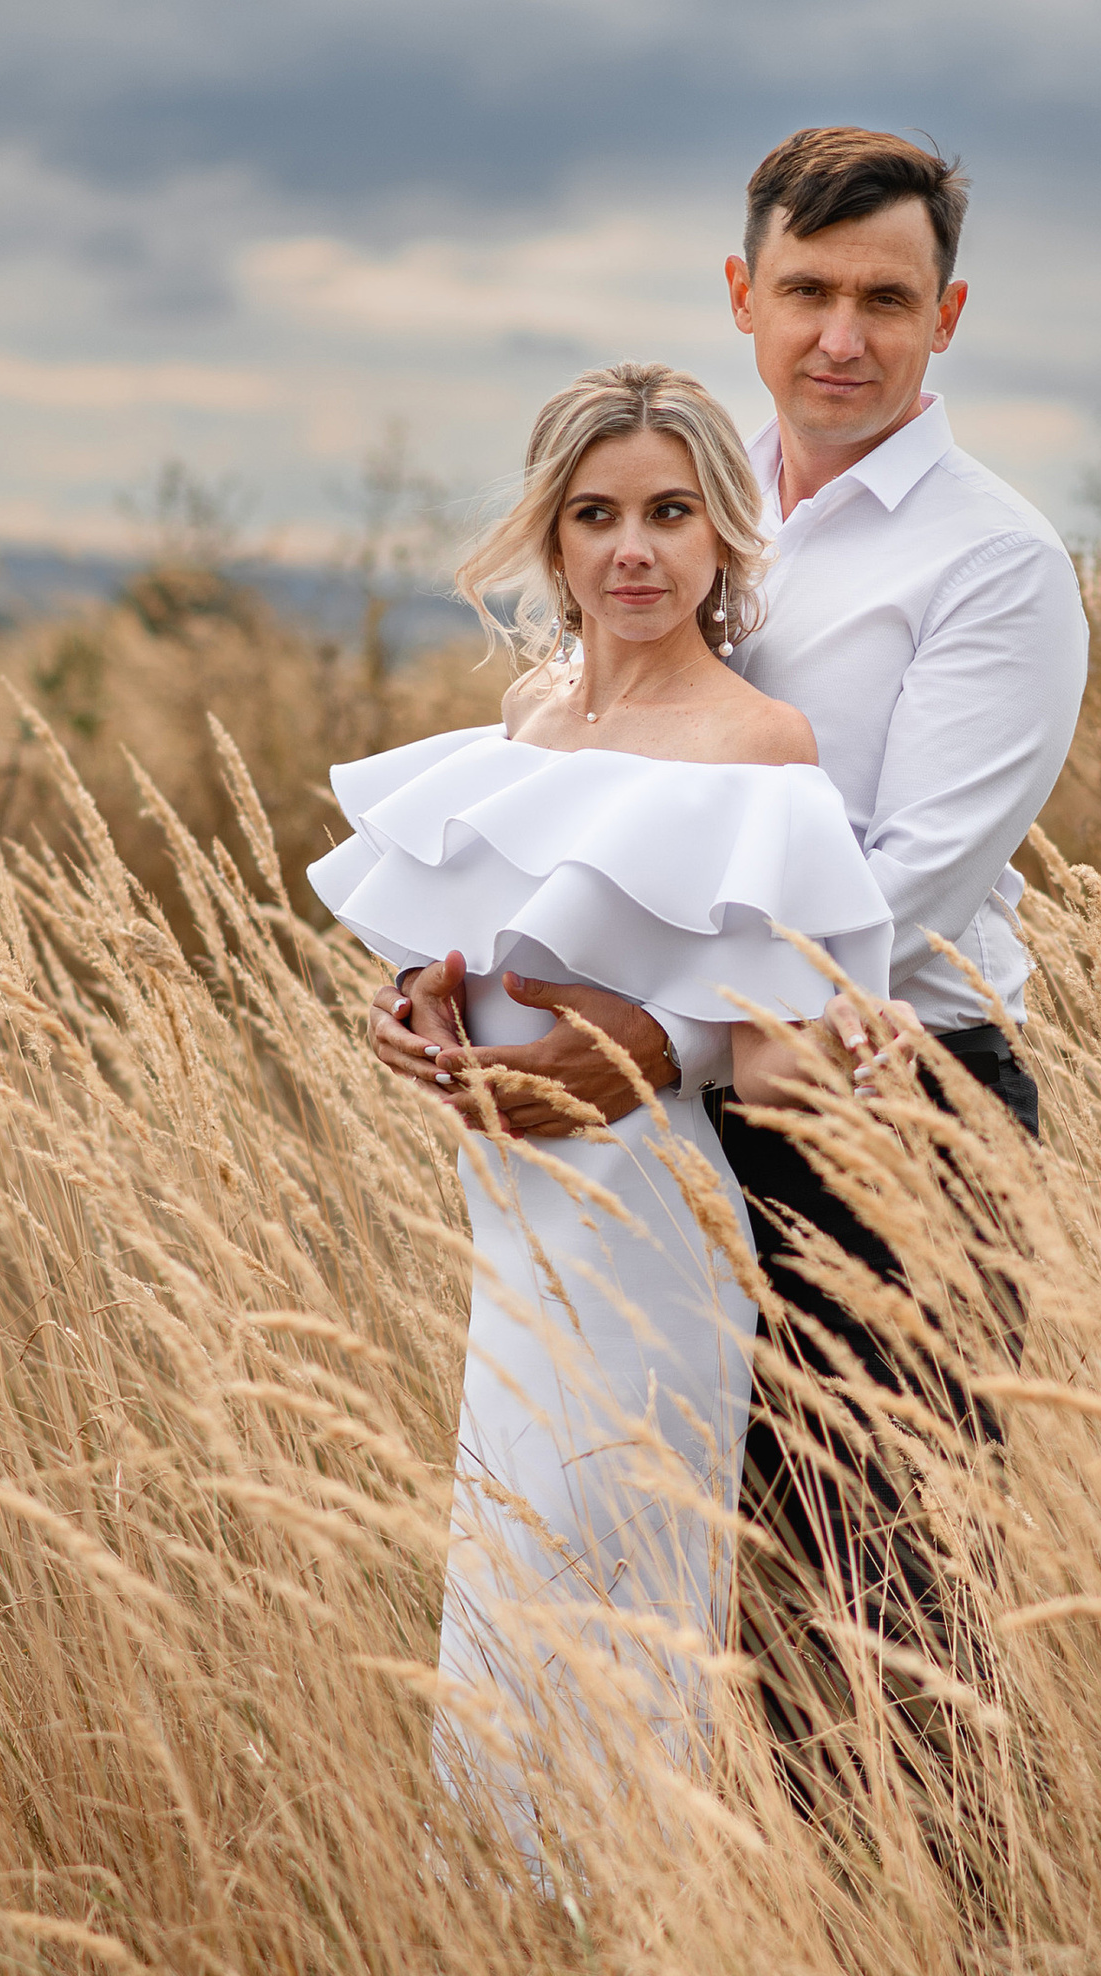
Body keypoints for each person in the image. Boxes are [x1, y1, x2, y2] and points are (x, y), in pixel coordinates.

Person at [370, 129, 1090, 1825]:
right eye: (809, 292)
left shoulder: (996, 563)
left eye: (887, 299)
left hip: (892, 1107)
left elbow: (904, 885)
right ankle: (705, 1963)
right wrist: (458, 976)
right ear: (743, 297)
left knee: (883, 1589)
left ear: (949, 314)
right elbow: (580, 792)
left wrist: (662, 1037)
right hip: (662, 1129)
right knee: (671, 1551)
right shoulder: (686, 507)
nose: (844, 334)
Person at [312, 363, 893, 1851]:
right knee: (502, 1577)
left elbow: (765, 1056)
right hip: (511, 1227)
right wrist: (418, 1007)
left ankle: (632, 1926)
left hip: (650, 1234)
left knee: (618, 1583)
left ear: (720, 541)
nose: (633, 548)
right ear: (552, 540)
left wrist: (847, 1042)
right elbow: (482, 956)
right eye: (596, 515)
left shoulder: (761, 746)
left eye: (670, 513)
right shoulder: (529, 717)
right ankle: (509, 1947)